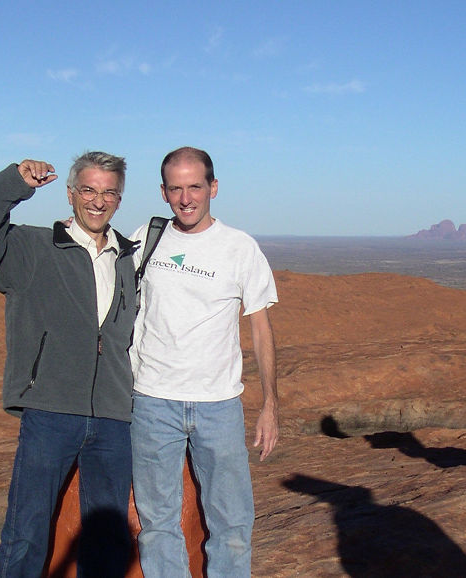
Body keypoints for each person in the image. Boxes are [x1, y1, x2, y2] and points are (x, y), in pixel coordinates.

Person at [0, 152, 138, 578]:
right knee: (26, 532)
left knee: (107, 541)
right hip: (50, 411)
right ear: (70, 193)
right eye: (88, 190)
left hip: (114, 417)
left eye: (109, 192)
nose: (98, 201)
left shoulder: (129, 258)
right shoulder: (33, 247)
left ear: (119, 199)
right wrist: (13, 183)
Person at [129, 146, 279, 577]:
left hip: (219, 405)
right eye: (175, 188)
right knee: (157, 526)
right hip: (152, 401)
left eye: (195, 187)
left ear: (213, 188)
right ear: (163, 192)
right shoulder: (146, 238)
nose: (186, 198)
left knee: (232, 524)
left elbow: (261, 329)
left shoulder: (239, 248)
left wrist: (270, 405)